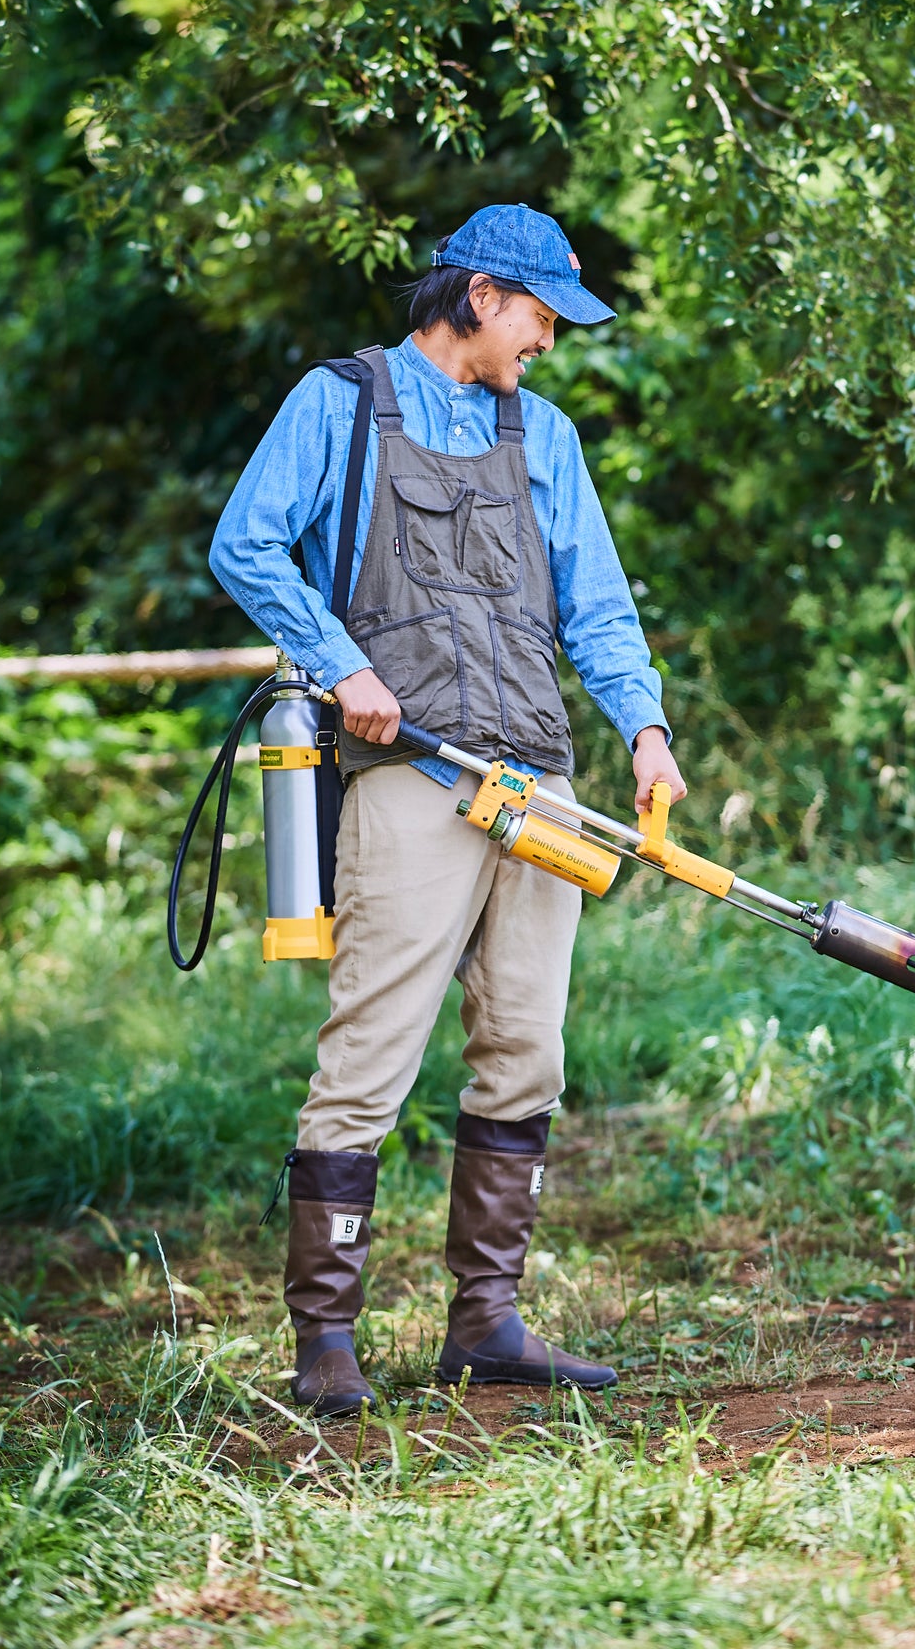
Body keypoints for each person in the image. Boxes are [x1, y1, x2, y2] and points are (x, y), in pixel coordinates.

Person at [209, 204, 685, 1415]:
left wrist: (644, 727)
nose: (551, 341)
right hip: (411, 779)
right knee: (371, 1052)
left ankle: (487, 1324)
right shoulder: (341, 405)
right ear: (478, 295)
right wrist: (338, 664)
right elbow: (248, 545)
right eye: (540, 316)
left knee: (528, 1049)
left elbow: (598, 604)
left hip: (539, 781)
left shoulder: (550, 436)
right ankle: (325, 1338)